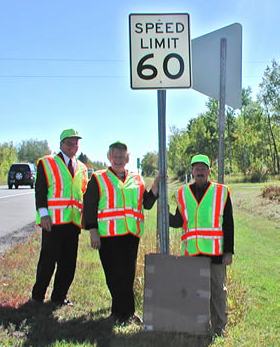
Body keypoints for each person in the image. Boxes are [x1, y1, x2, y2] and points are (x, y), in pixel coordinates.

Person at [83, 141, 159, 323]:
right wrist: (93, 231)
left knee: (128, 275)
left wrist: (156, 185)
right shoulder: (99, 178)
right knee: (113, 275)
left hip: (130, 235)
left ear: (128, 158)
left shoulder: (137, 179)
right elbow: (89, 206)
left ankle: (126, 313)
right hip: (107, 236)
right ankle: (119, 312)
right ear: (109, 157)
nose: (118, 160)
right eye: (115, 156)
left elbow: (146, 203)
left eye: (121, 157)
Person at [169, 154, 234, 336]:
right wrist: (163, 213)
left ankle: (219, 328)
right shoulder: (182, 194)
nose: (199, 172)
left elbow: (228, 223)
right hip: (193, 252)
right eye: (196, 168)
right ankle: (197, 327)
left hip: (216, 253)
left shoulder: (221, 192)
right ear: (191, 171)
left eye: (203, 168)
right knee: (195, 291)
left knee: (218, 292)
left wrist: (228, 251)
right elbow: (178, 221)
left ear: (209, 171)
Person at [31, 128, 88, 306]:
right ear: (62, 144)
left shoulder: (82, 167)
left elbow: (82, 193)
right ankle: (37, 297)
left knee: (68, 263)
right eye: (69, 143)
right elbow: (40, 191)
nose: (73, 147)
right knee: (48, 260)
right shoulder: (47, 163)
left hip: (72, 222)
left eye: (76, 143)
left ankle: (59, 296)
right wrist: (44, 215)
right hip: (53, 222)